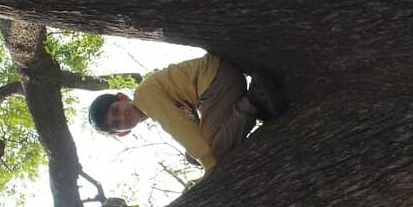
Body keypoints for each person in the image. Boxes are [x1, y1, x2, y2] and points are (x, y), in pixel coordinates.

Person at [88, 53, 286, 173]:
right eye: (116, 123)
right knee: (194, 156)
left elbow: (177, 127)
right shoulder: (152, 104)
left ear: (122, 97)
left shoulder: (143, 96)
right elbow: (190, 124)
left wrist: (209, 166)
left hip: (217, 81)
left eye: (116, 110)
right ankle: (254, 106)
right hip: (219, 86)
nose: (122, 117)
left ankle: (254, 101)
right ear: (122, 133)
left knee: (211, 153)